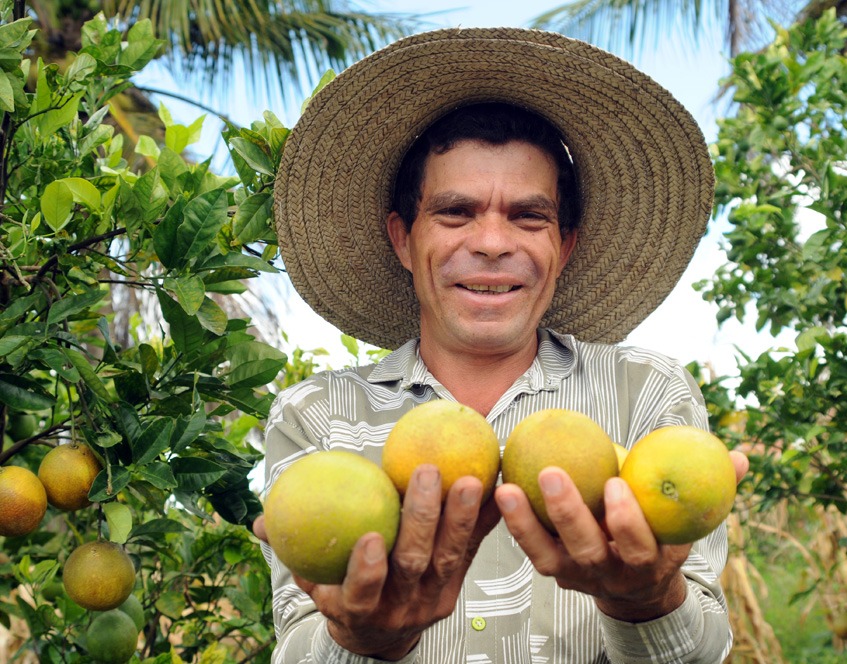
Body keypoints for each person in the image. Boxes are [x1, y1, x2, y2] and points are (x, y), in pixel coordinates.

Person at [254, 27, 750, 663]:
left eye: (528, 216)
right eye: (456, 212)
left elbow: (702, 651)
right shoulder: (314, 417)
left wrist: (645, 601)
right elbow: (298, 645)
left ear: (563, 246)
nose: (491, 242)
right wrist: (363, 641)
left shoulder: (646, 393)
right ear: (403, 240)